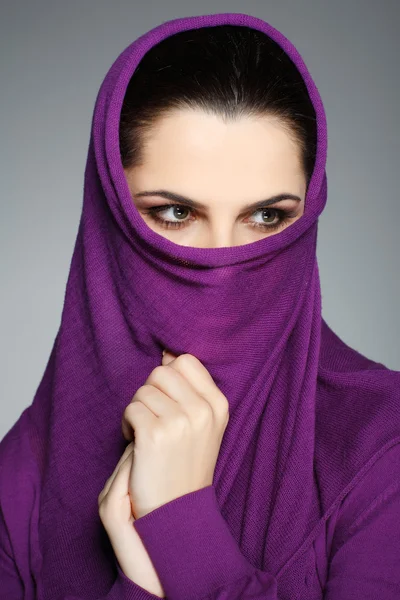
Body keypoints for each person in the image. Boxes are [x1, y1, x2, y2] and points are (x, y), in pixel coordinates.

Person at [1, 11, 399, 600]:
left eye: (267, 217)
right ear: (112, 217)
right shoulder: (21, 483)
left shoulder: (382, 449)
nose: (223, 261)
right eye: (176, 214)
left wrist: (180, 525)